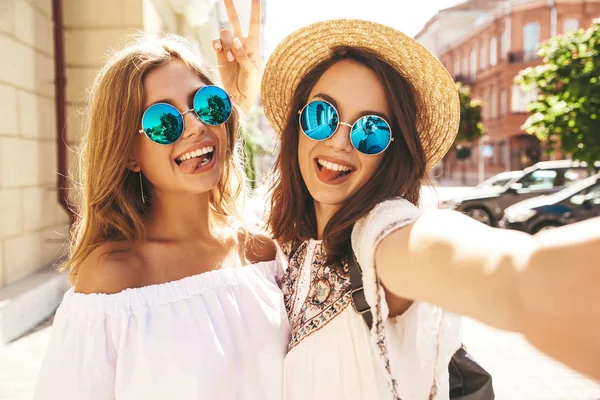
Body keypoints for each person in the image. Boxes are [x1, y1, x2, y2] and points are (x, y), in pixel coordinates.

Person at [33, 1, 290, 399]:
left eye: (207, 104)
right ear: (129, 153)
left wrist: (239, 103)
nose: (195, 126)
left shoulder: (261, 253)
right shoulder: (114, 278)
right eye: (162, 121)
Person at [262, 19, 465, 399]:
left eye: (370, 129)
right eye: (322, 115)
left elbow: (434, 248)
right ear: (298, 126)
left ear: (393, 152)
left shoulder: (381, 232)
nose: (339, 141)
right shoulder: (287, 247)